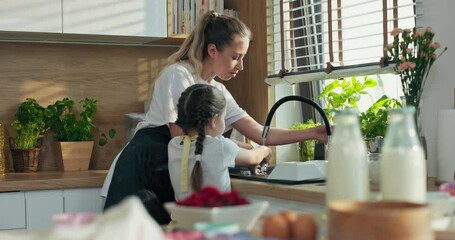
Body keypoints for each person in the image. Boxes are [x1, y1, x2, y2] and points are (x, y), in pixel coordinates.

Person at [102, 10, 329, 224]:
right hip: (142, 170)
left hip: (171, 171)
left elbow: (261, 133)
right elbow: (183, 135)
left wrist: (312, 133)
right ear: (212, 50)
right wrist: (242, 149)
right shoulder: (178, 75)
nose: (241, 66)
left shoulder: (217, 91)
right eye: (235, 57)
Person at [168, 84, 272, 200]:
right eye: (224, 117)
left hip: (182, 218)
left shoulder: (173, 145)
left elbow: (212, 145)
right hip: (218, 218)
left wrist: (236, 144)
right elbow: (254, 157)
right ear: (214, 120)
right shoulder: (221, 147)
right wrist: (265, 150)